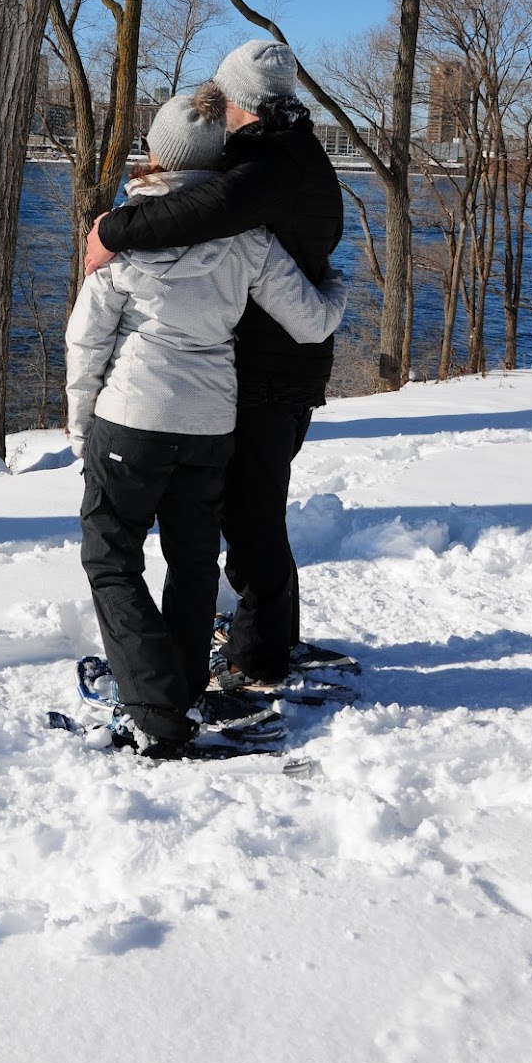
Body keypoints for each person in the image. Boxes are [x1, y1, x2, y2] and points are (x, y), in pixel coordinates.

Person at [67, 87, 347, 758]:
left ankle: (156, 706)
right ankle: (183, 681)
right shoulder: (249, 242)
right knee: (192, 561)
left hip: (130, 418)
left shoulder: (127, 234)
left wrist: (81, 429)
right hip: (209, 424)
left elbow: (86, 341)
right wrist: (337, 286)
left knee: (110, 558)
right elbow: (312, 320)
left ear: (157, 155)